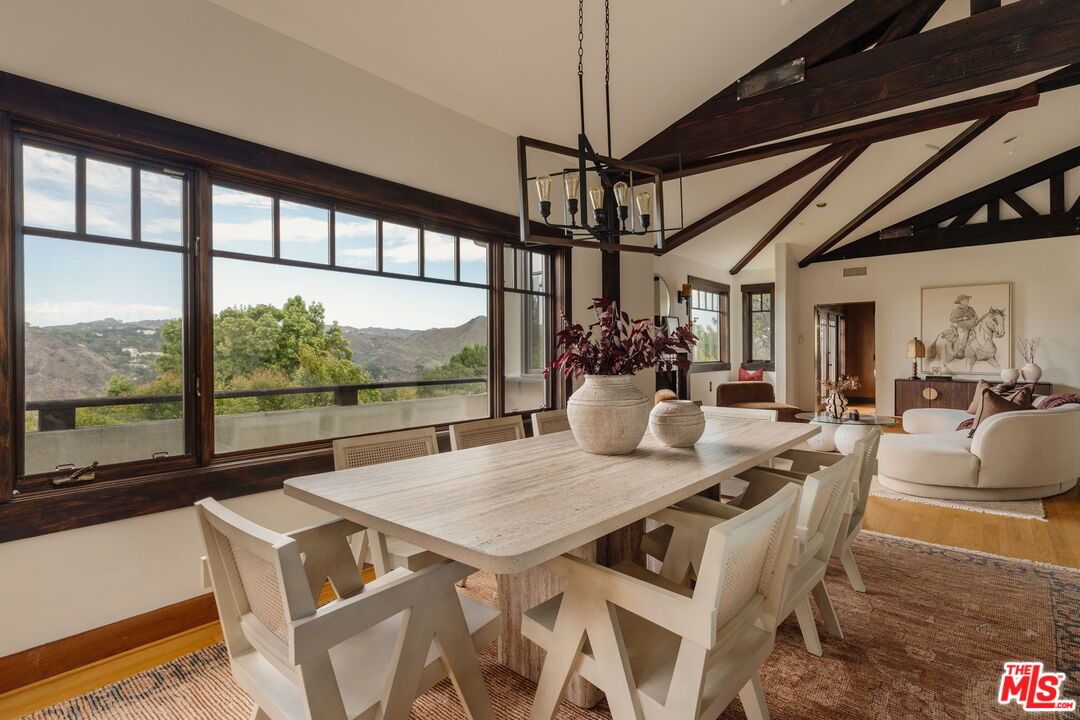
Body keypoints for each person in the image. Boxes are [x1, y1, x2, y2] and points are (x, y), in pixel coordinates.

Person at [950, 294, 978, 359]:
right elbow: (952, 319)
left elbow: (976, 316)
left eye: (967, 300)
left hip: (972, 326)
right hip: (962, 327)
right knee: (963, 338)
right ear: (961, 301)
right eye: (965, 300)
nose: (967, 301)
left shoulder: (971, 308)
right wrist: (962, 318)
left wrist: (974, 318)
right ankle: (960, 352)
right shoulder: (956, 310)